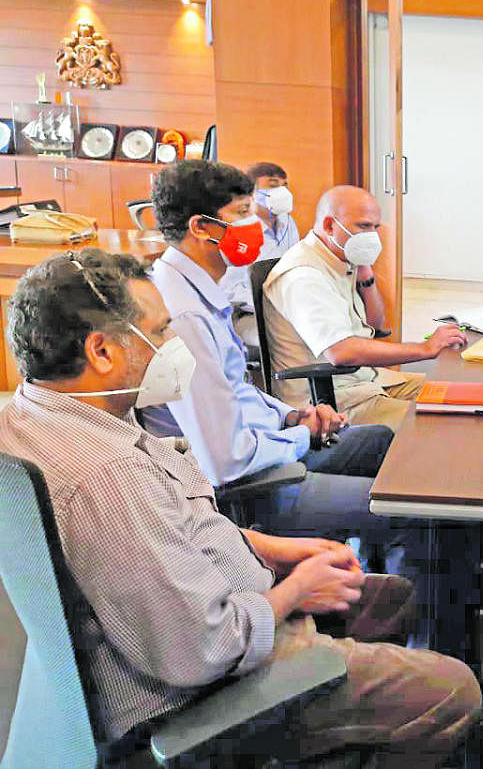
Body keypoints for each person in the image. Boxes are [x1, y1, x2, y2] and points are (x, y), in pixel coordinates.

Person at [0, 248, 480, 765]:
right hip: (197, 693)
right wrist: (297, 590)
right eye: (161, 333)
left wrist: (271, 549)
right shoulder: (106, 476)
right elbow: (202, 647)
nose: (172, 345)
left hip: (213, 612)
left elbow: (170, 529)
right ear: (101, 353)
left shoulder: (39, 415)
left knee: (390, 598)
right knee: (456, 691)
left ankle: (345, 711)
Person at [139, 160, 408, 554]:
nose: (256, 227)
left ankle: (355, 578)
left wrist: (290, 415)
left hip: (261, 446)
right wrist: (300, 436)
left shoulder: (198, 290)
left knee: (379, 441)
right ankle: (385, 602)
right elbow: (225, 462)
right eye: (243, 214)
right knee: (411, 507)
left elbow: (234, 388)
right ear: (200, 227)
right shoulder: (183, 316)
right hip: (249, 490)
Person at [263, 185, 465, 428]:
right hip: (333, 402)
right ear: (329, 226)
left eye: (375, 228)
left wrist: (366, 278)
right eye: (364, 226)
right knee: (451, 423)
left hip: (367, 381)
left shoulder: (338, 257)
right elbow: (342, 352)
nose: (372, 236)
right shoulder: (304, 276)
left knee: (464, 396)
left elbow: (376, 324)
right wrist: (424, 349)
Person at [218, 161, 302, 345]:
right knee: (288, 339)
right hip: (246, 315)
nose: (282, 192)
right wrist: (269, 305)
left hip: (285, 308)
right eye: (273, 186)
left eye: (284, 186)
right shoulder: (237, 230)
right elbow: (228, 289)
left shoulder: (288, 223)